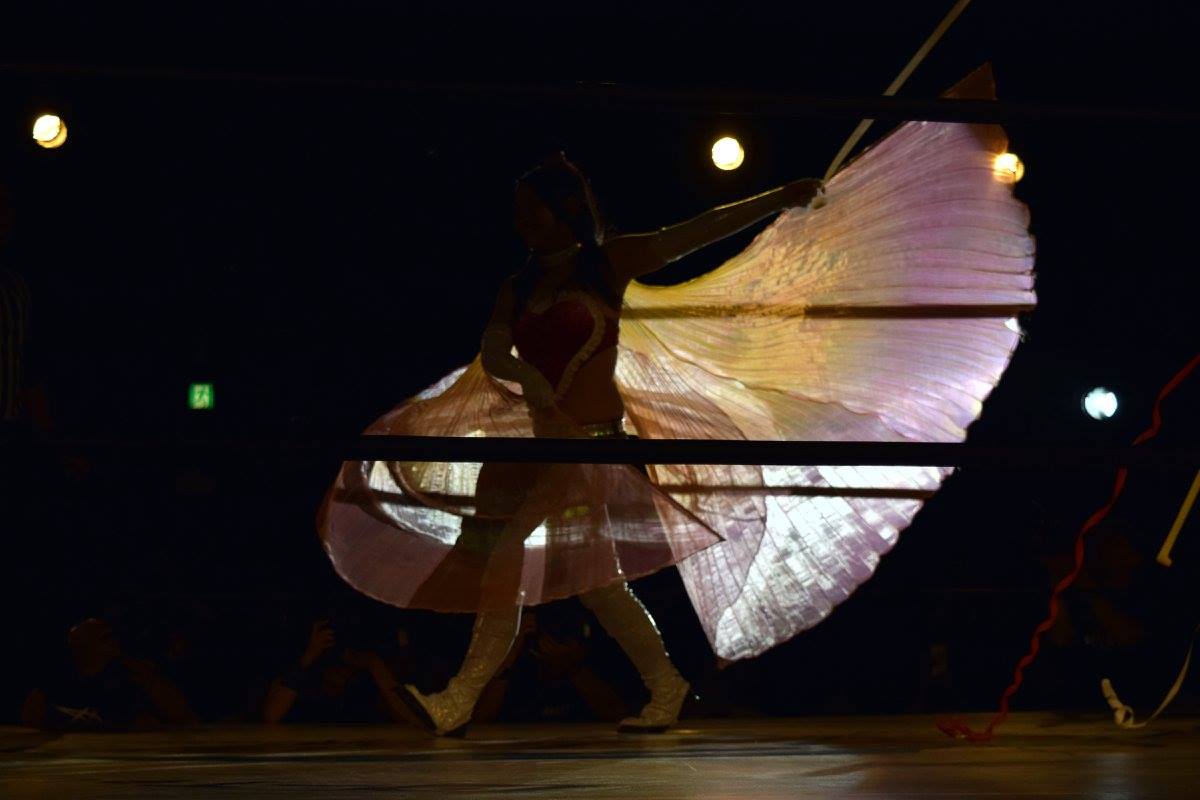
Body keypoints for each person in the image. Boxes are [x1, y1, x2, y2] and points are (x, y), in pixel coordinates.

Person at [320, 66, 1035, 736]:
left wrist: (776, 197)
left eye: (533, 210)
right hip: (535, 447)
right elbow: (496, 348)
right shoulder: (519, 283)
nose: (523, 222)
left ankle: (459, 698)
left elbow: (694, 234)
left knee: (511, 563)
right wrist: (525, 379)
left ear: (564, 212)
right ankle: (663, 685)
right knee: (595, 589)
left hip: (590, 449)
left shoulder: (608, 264)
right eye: (519, 211)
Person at [21, 618, 197, 730]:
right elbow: (31, 716)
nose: (113, 643)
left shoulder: (133, 673)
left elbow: (184, 717)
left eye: (112, 637)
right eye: (105, 638)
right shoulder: (59, 679)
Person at [261, 617, 420, 725]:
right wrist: (308, 657)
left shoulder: (364, 686)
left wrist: (375, 665)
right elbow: (271, 715)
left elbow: (412, 720)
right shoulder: (300, 679)